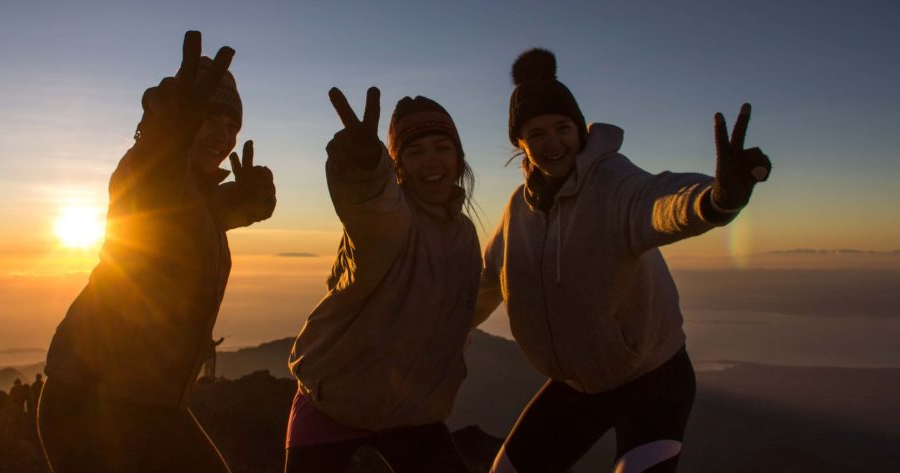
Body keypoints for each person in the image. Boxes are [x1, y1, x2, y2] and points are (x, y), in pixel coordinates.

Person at [476, 49, 771, 473]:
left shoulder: (613, 182)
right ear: (520, 144)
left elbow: (660, 201)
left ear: (579, 130)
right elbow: (484, 284)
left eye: (562, 128)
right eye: (536, 133)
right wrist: (433, 337)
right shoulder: (518, 211)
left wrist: (716, 199)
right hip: (577, 385)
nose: (553, 143)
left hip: (653, 379)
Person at [37, 31, 276, 473]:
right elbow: (159, 182)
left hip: (149, 403)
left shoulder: (195, 197)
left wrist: (250, 203)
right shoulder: (147, 170)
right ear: (180, 120)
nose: (223, 136)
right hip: (90, 402)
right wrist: (169, 130)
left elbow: (193, 218)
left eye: (232, 127)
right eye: (209, 119)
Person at [284, 89, 481, 473]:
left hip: (413, 413)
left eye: (442, 147)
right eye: (415, 152)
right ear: (398, 167)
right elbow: (372, 209)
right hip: (331, 405)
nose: (431, 161)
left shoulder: (465, 235)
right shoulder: (391, 221)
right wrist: (364, 169)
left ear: (459, 158)